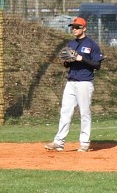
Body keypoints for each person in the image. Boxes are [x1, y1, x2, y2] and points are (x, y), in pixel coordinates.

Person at [45, 17, 104, 152]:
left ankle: (84, 143)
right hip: (71, 81)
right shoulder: (71, 44)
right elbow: (67, 64)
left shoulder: (92, 45)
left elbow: (97, 65)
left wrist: (81, 58)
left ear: (84, 28)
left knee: (84, 113)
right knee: (65, 112)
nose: (74, 29)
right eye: (73, 27)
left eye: (77, 27)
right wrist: (66, 61)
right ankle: (59, 142)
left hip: (84, 82)